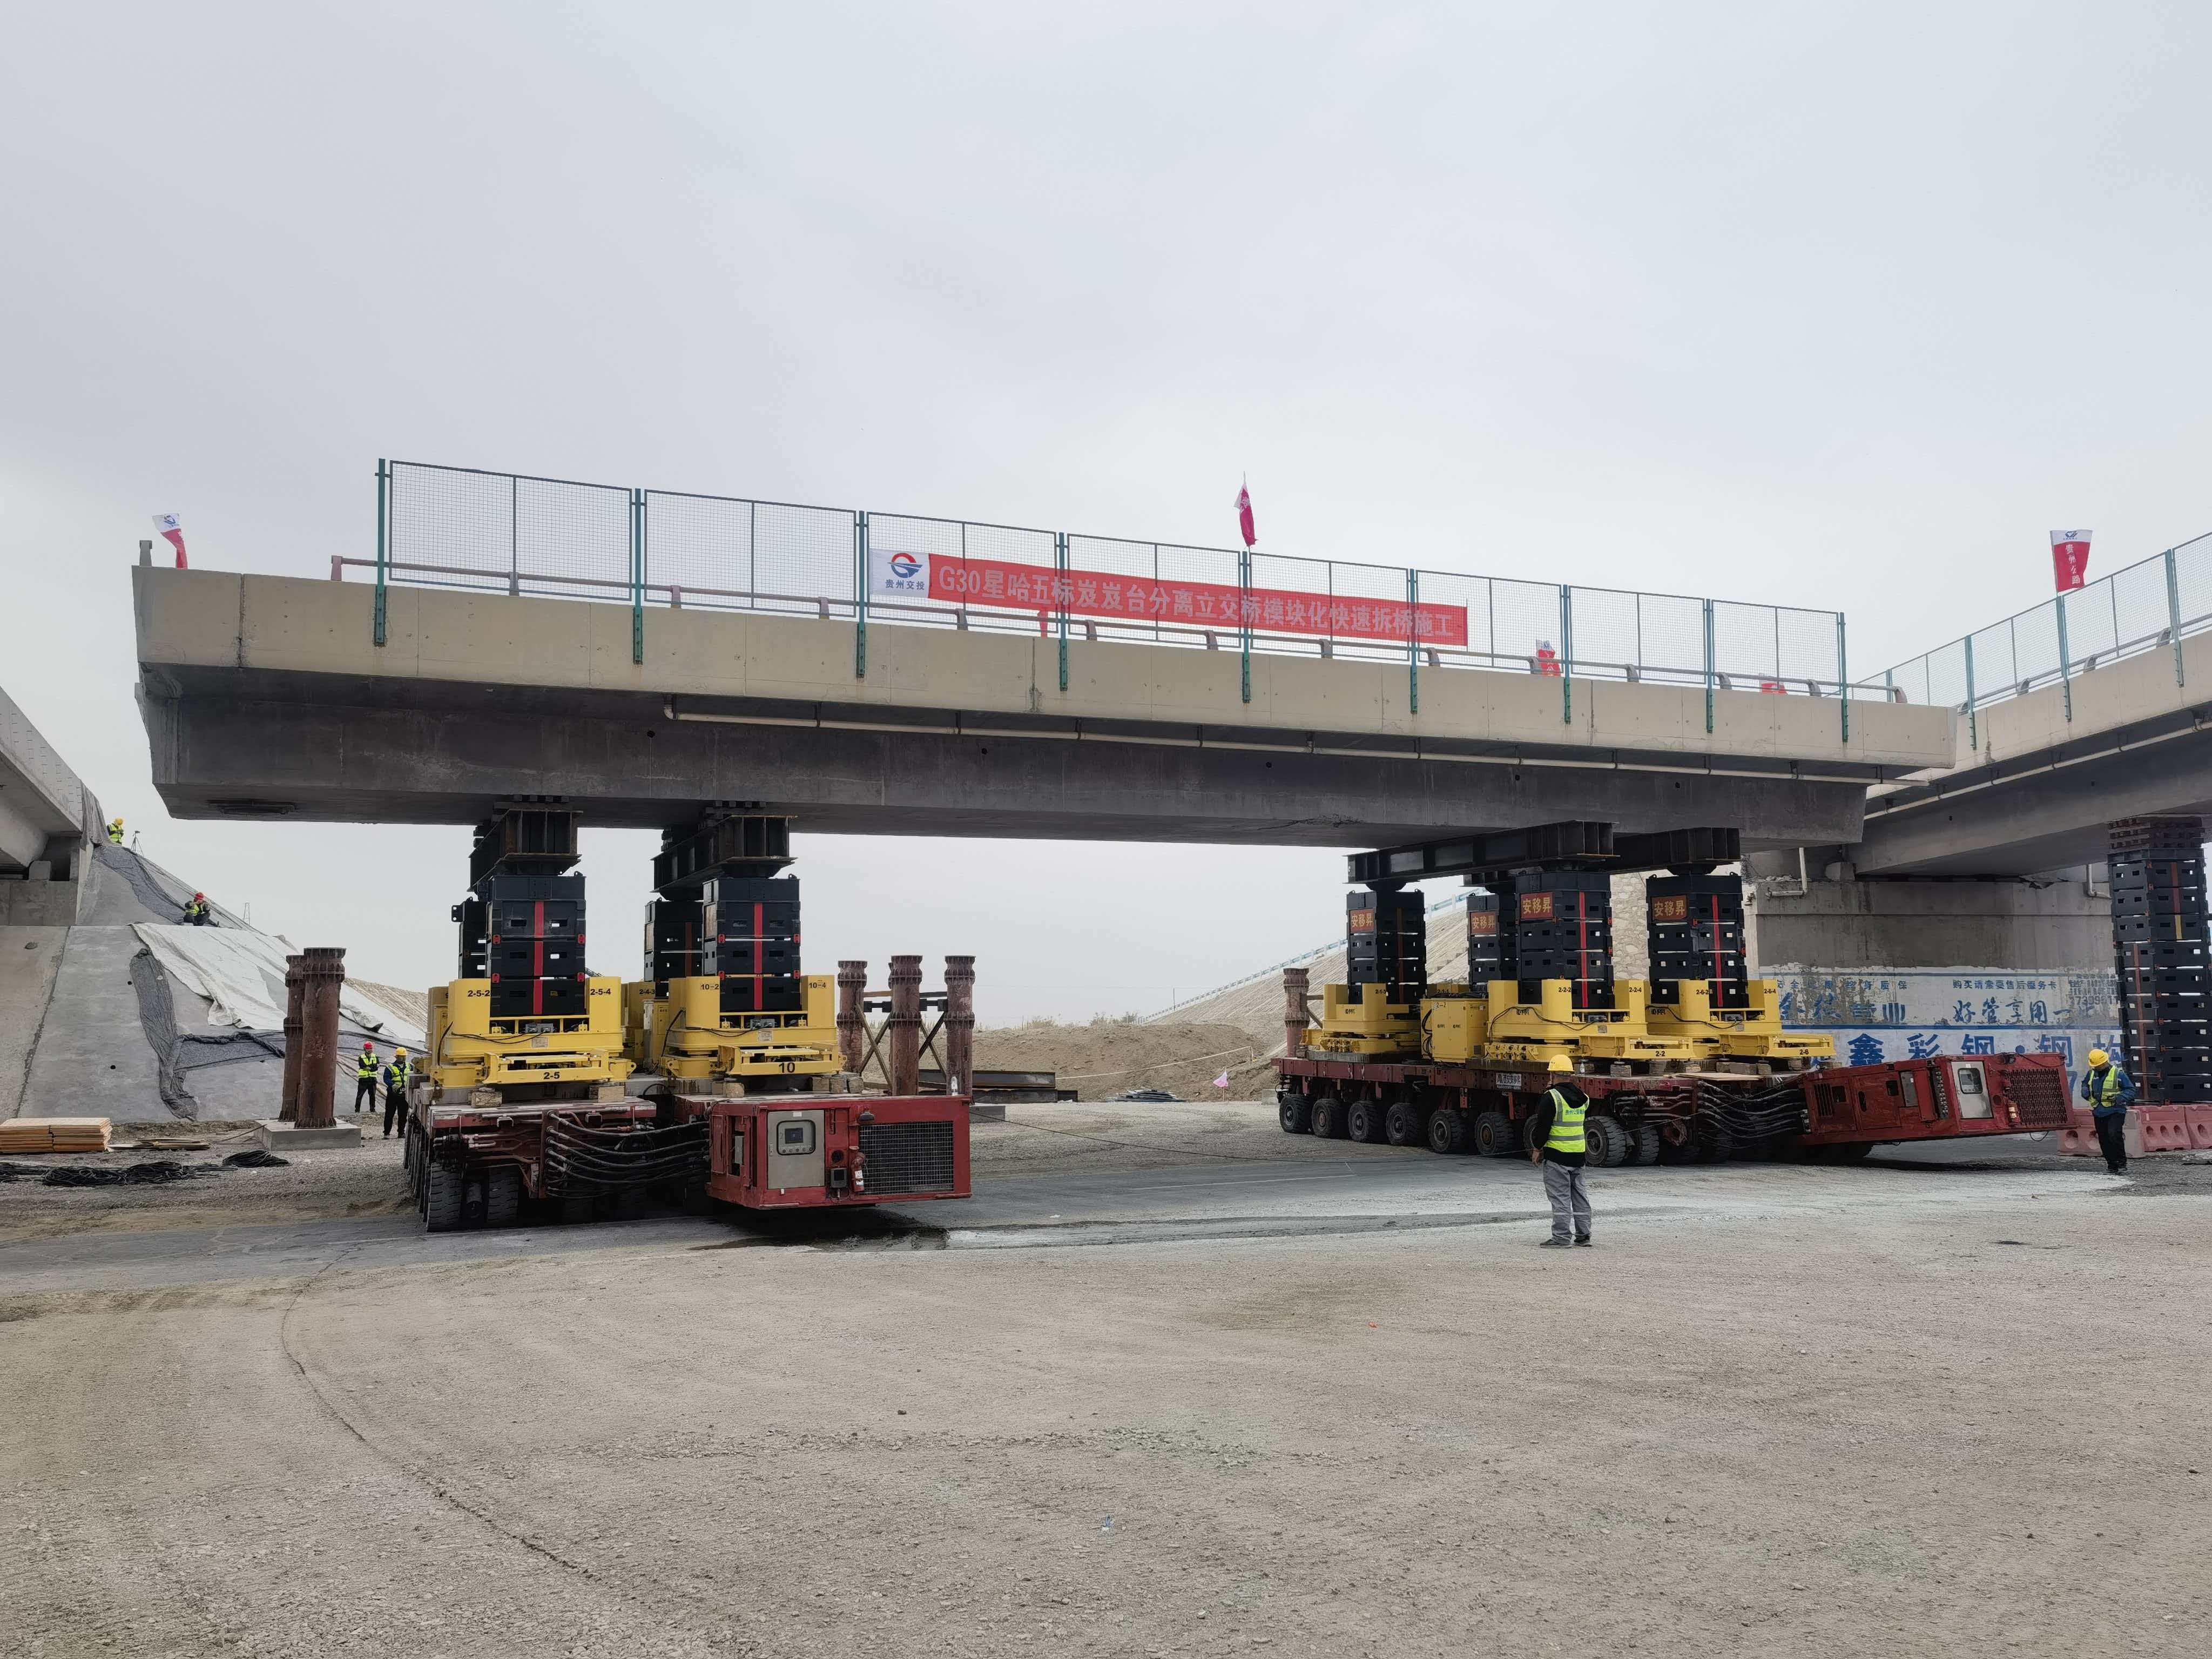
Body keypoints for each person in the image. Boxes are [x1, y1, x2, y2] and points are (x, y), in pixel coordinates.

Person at [1529, 1054, 1593, 1247]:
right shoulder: (1584, 1098)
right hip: (1579, 1156)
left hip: (1557, 1156)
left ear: (1553, 1075)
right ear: (1570, 1075)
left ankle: (1561, 1238)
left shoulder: (1552, 1098)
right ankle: (1584, 1236)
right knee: (1580, 1196)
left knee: (1560, 1198)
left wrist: (1537, 1148)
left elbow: (1542, 1128)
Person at [2080, 1047, 2135, 1175]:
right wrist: (2085, 1090)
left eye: (2099, 1065)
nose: (2097, 1068)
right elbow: (2085, 1083)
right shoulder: (2091, 1074)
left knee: (2114, 1134)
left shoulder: (2118, 1074)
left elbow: (2131, 1090)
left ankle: (2121, 1163)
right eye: (2096, 1066)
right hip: (2099, 1111)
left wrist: (2120, 1098)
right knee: (2104, 1139)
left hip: (2116, 1110)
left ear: (2105, 1062)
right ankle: (2112, 1165)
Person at [381, 1047, 411, 1139]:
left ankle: (401, 1133)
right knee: (389, 1114)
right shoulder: (390, 1067)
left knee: (403, 1115)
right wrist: (392, 1085)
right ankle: (387, 1133)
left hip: (404, 1095)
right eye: (402, 1056)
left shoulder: (410, 1066)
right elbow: (386, 1078)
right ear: (397, 1057)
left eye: (405, 1056)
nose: (404, 1058)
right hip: (393, 1095)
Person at [353, 1043, 380, 1114]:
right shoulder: (361, 1057)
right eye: (368, 1048)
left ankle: (372, 1110)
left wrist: (370, 1068)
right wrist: (372, 1067)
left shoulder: (375, 1057)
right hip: (363, 1080)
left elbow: (376, 1067)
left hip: (372, 1080)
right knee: (360, 1096)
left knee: (373, 1096)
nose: (370, 1050)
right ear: (365, 1049)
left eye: (371, 1048)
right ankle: (357, 1111)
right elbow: (363, 1066)